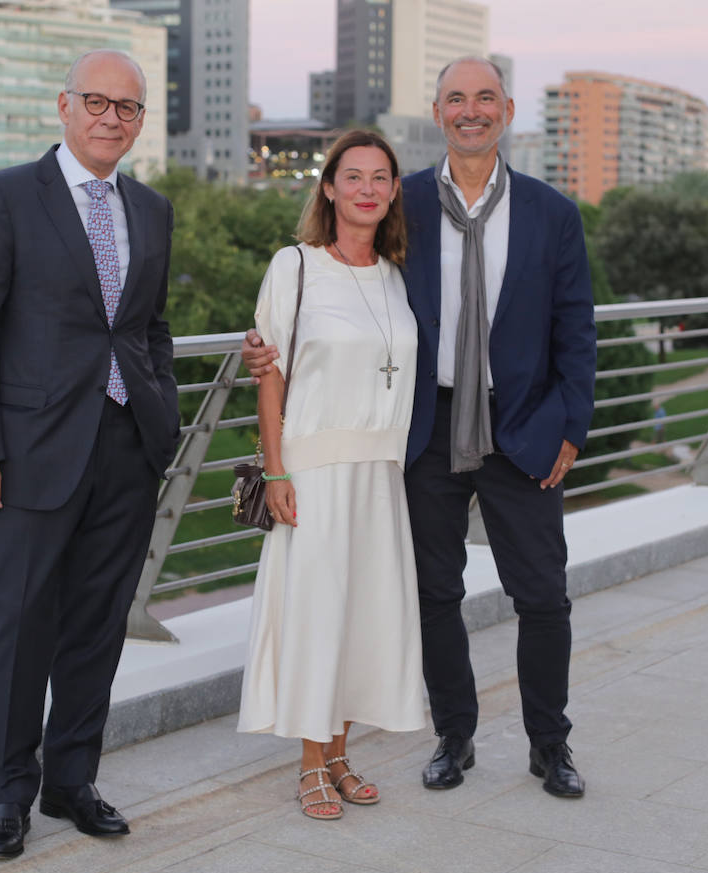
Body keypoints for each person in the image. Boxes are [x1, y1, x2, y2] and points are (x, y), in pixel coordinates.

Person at [243, 56, 596, 799]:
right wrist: (266, 351)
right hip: (425, 429)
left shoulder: (551, 213)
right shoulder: (400, 202)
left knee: (544, 596)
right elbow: (341, 279)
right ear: (438, 112)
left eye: (486, 98)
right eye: (457, 98)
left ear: (507, 109)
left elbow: (576, 329)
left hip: (524, 427)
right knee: (434, 591)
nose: (472, 110)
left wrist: (573, 426)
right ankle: (454, 737)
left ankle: (550, 744)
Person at [0, 49, 179, 859]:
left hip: (126, 449)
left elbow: (149, 327)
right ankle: (9, 793)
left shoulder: (152, 209)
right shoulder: (4, 199)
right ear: (64, 106)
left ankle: (72, 782)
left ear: (141, 121)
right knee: (19, 624)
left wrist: (163, 419)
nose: (112, 117)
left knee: (97, 625)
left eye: (128, 107)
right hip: (30, 451)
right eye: (97, 102)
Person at [236, 130, 425, 820]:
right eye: (353, 177)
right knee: (317, 615)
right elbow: (271, 376)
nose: (367, 189)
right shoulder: (295, 266)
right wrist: (276, 469)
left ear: (394, 191)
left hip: (380, 471)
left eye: (381, 177)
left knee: (360, 617)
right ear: (328, 187)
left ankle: (341, 754)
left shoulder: (398, 274)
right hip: (313, 469)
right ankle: (311, 764)